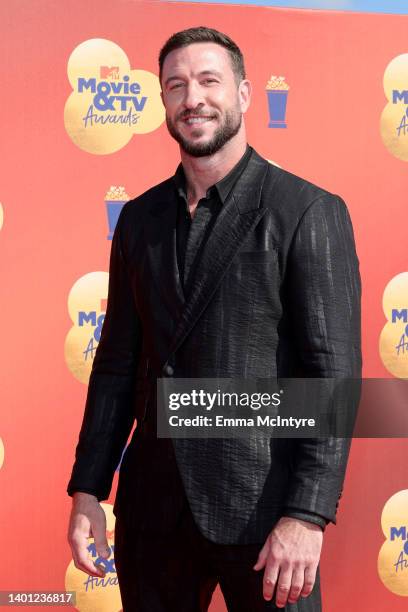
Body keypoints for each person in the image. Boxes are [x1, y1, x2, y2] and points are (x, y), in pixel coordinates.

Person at [67, 26, 361, 611]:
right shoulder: (139, 220)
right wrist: (87, 489)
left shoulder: (306, 211)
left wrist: (306, 514)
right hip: (153, 514)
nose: (192, 98)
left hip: (266, 513)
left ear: (245, 95)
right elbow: (117, 365)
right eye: (175, 85)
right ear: (163, 105)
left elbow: (334, 378)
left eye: (208, 80)